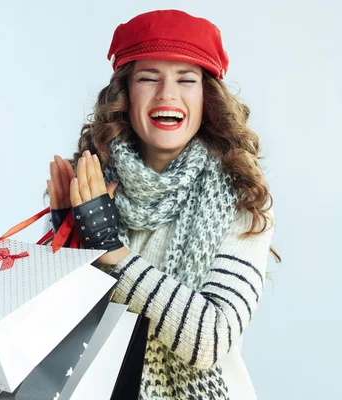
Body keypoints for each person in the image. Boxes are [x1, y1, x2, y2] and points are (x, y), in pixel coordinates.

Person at [45, 9, 280, 400]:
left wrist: (108, 251)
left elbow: (211, 338)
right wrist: (66, 239)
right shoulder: (92, 182)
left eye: (186, 80)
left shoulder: (243, 198)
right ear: (125, 93)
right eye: (148, 78)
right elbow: (55, 323)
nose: (166, 94)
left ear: (207, 97)